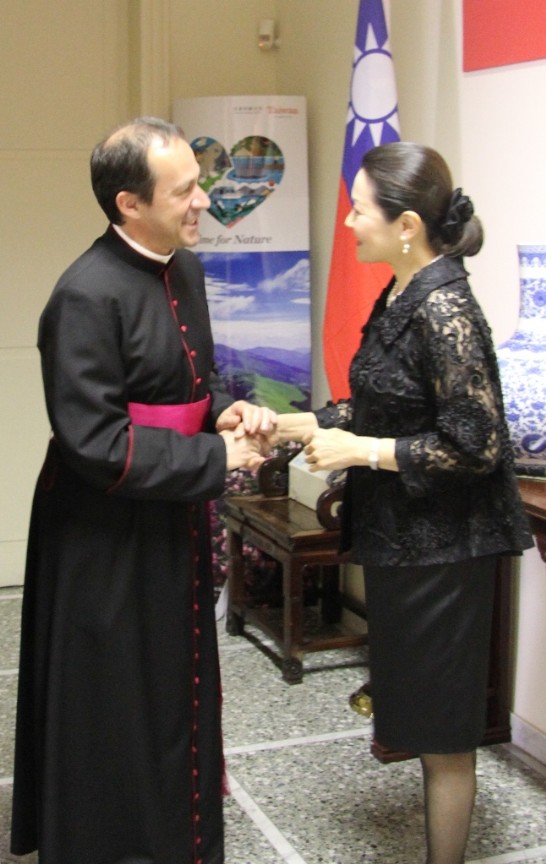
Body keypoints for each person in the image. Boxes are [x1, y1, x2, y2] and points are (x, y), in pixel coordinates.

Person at [11, 117, 275, 864]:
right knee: (115, 703)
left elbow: (182, 382)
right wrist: (215, 458)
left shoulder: (182, 266)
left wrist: (222, 412)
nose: (203, 203)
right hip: (103, 537)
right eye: (186, 190)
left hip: (168, 518)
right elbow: (94, 443)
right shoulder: (83, 296)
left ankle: (176, 838)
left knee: (172, 687)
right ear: (129, 203)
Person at [272, 142, 533, 864]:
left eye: (360, 209)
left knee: (445, 737)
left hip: (446, 552)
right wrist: (308, 424)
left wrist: (363, 453)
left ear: (407, 224)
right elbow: (388, 405)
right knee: (418, 722)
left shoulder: (447, 307)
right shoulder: (403, 291)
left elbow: (476, 444)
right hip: (406, 543)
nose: (350, 223)